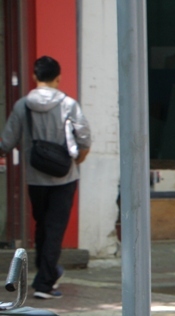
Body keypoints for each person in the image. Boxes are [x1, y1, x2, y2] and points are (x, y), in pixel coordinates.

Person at [0, 56, 91, 299]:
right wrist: (76, 162)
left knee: (42, 226)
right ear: (58, 78)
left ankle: (45, 273)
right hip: (65, 177)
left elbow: (7, 142)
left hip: (35, 178)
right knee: (55, 228)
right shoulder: (69, 105)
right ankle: (44, 284)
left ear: (34, 77)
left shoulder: (22, 106)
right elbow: (84, 139)